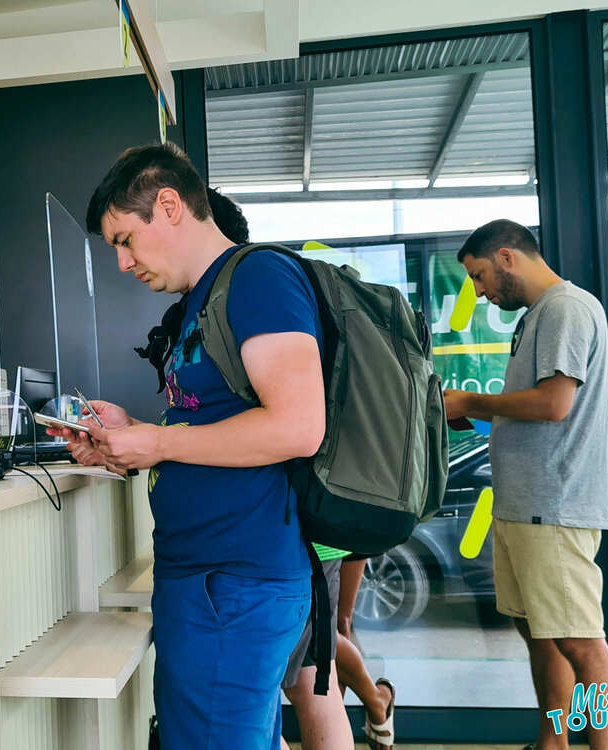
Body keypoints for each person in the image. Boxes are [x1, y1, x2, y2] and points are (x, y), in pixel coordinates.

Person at [55, 142, 326, 748]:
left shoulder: (258, 278)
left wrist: (160, 441)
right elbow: (211, 426)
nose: (122, 263)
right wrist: (131, 435)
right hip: (207, 580)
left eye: (124, 239)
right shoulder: (199, 303)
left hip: (235, 581)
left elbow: (297, 426)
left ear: (170, 205)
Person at [206, 187, 395, 750]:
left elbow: (289, 427)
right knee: (316, 664)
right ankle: (379, 712)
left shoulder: (251, 295)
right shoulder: (284, 294)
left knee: (306, 672)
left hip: (296, 523)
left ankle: (380, 710)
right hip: (328, 513)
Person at [444, 219, 608, 750]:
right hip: (527, 505)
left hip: (555, 506)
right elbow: (532, 406)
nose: (478, 292)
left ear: (506, 258)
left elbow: (554, 404)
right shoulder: (537, 316)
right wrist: (474, 415)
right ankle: (553, 742)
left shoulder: (565, 309)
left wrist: (472, 402)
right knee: (541, 631)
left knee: (581, 642)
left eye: (478, 277)